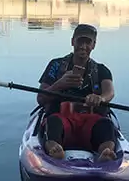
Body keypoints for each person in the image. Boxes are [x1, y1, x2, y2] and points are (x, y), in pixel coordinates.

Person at [37, 24, 117, 162]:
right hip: (61, 117)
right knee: (53, 122)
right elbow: (40, 98)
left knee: (106, 124)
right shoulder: (55, 65)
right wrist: (60, 84)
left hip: (90, 120)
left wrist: (99, 98)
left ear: (94, 45)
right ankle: (55, 149)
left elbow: (109, 93)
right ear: (73, 41)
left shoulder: (101, 70)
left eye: (88, 42)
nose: (83, 46)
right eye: (80, 41)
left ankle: (106, 152)